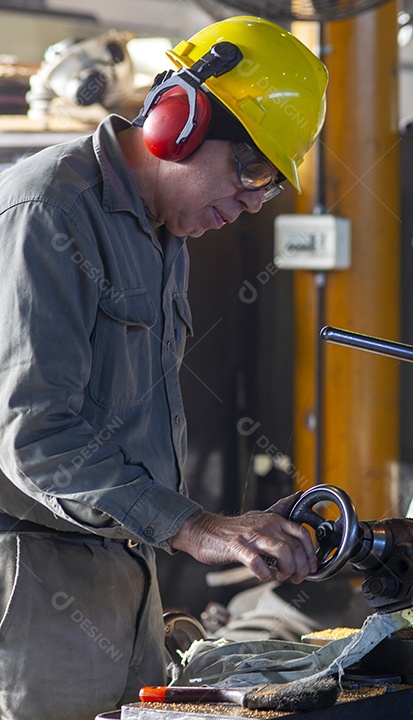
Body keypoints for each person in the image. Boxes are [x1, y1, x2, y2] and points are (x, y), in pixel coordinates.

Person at [0, 16, 329, 720]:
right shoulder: (50, 209)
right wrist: (196, 526)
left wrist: (229, 529)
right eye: (250, 170)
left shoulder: (163, 232)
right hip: (38, 594)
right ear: (178, 121)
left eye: (269, 186)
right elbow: (37, 438)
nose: (252, 202)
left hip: (127, 586)